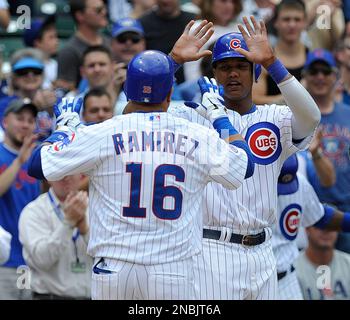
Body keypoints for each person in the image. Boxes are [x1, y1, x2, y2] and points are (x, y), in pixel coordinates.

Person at [27, 20, 255, 300]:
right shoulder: (198, 135)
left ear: (127, 92)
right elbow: (245, 166)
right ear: (171, 95)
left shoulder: (102, 132)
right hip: (171, 270)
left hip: (114, 270)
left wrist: (64, 129)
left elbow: (37, 165)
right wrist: (219, 116)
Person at [169, 16, 320, 299]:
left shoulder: (275, 118)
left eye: (241, 66)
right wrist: (173, 61)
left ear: (255, 73)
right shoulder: (191, 116)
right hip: (211, 249)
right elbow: (135, 110)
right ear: (213, 74)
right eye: (225, 67)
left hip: (263, 252)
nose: (233, 74)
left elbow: (311, 117)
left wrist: (273, 63)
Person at [274, 154, 350, 299]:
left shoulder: (299, 183)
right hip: (248, 275)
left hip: (285, 278)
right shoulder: (244, 184)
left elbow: (321, 216)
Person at [301, 48, 350, 253]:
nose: (320, 77)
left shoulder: (348, 114)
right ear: (305, 77)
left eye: (325, 71)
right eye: (314, 72)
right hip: (307, 210)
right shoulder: (293, 115)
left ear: (335, 76)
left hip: (345, 206)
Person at [19, 174, 92, 300]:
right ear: (48, 176)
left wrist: (85, 230)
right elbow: (42, 260)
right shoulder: (34, 211)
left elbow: (108, 257)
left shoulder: (94, 207)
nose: (66, 177)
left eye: (71, 170)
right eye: (59, 171)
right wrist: (68, 223)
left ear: (81, 174)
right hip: (49, 296)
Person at [0, 98, 40, 300]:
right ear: (5, 122)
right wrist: (19, 161)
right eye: (20, 118)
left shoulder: (39, 159)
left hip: (30, 262)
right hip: (3, 260)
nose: (25, 124)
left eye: (30, 120)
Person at [56, 0, 109, 91]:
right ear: (80, 16)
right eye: (98, 10)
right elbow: (66, 90)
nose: (104, 12)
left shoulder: (109, 42)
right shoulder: (69, 51)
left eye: (104, 8)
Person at [139, 0, 197, 84]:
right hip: (155, 83)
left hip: (189, 82)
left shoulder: (193, 22)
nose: (165, 1)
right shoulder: (143, 23)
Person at [295, 227, 350, 300]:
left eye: (332, 225)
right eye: (320, 224)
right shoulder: (293, 270)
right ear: (307, 228)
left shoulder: (348, 263)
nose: (326, 230)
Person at [23, 15, 59, 89]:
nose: (56, 41)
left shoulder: (55, 64)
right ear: (37, 42)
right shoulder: (26, 67)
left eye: (56, 36)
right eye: (51, 37)